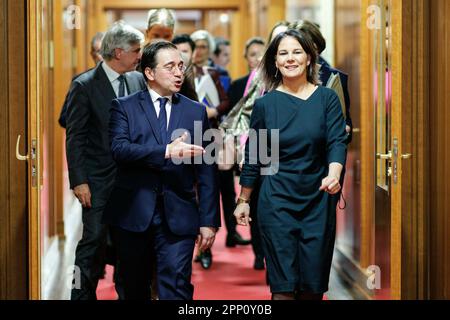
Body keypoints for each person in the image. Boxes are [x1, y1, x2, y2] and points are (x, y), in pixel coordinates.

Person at [233, 29, 347, 300]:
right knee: (283, 288)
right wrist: (244, 200)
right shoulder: (265, 105)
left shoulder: (326, 98)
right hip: (276, 201)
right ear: (274, 61)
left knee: (312, 287)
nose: (290, 58)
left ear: (309, 58)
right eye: (283, 53)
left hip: (317, 200)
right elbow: (255, 156)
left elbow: (336, 142)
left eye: (297, 52)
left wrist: (334, 174)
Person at [102, 40, 220, 300]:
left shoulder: (196, 111)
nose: (179, 73)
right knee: (134, 288)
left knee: (176, 287)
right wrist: (166, 151)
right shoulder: (124, 107)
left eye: (181, 66)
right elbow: (120, 150)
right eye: (170, 67)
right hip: (133, 213)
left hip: (179, 215)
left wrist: (209, 220)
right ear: (150, 73)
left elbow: (206, 170)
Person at [65, 22, 146, 300]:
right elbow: (74, 137)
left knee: (129, 244)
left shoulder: (137, 80)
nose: (140, 56)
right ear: (119, 52)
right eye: (136, 50)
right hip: (97, 181)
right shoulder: (84, 85)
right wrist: (79, 181)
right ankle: (80, 295)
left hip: (133, 181)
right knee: (93, 243)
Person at [190, 29, 248, 270]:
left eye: (204, 46)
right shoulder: (179, 73)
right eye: (196, 46)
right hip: (184, 138)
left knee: (217, 187)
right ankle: (194, 244)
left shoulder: (217, 73)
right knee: (192, 193)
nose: (200, 50)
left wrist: (214, 112)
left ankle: (215, 241)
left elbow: (228, 103)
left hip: (213, 136)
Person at [290, 20, 352, 143]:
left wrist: (335, 160)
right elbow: (261, 132)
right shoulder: (274, 81)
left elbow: (344, 130)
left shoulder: (334, 79)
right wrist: (271, 160)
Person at [58, 32, 105, 128]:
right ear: (92, 54)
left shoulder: (126, 79)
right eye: (99, 52)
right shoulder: (80, 81)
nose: (103, 56)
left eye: (106, 51)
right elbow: (64, 118)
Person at [227, 37, 265, 109]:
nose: (258, 59)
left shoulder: (272, 84)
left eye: (261, 54)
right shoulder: (236, 86)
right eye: (253, 55)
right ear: (246, 57)